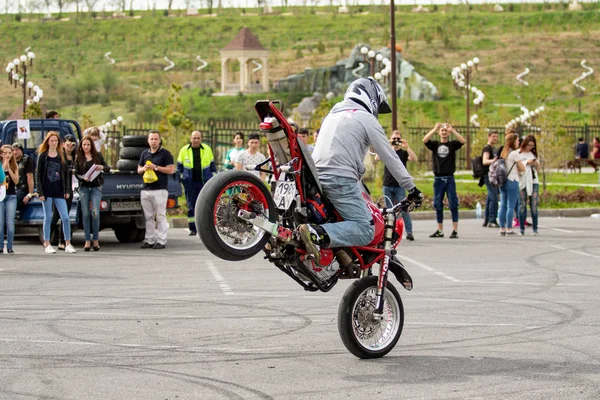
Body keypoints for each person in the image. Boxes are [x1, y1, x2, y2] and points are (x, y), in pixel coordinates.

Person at [301, 78, 422, 263]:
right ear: (371, 97)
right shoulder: (365, 117)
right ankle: (315, 234)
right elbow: (390, 156)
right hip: (340, 180)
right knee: (366, 229)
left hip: (316, 179)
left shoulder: (332, 114)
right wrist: (412, 188)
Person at [35, 131, 76, 254]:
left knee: (66, 217)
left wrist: (67, 190)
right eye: (52, 140)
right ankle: (47, 243)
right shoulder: (42, 156)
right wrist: (40, 192)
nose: (54, 143)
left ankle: (67, 243)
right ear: (47, 142)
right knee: (48, 217)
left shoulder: (61, 155)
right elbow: (38, 175)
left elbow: (67, 174)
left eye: (56, 141)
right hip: (46, 191)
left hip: (59, 190)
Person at [423, 122, 465, 239]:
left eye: (446, 130)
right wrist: (434, 128)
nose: (444, 132)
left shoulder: (452, 144)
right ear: (439, 132)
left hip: (449, 178)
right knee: (438, 204)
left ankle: (455, 230)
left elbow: (462, 141)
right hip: (438, 178)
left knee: (453, 204)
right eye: (442, 130)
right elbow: (425, 140)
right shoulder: (435, 145)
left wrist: (453, 130)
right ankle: (440, 230)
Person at [375, 130, 418, 241]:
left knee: (404, 209)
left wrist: (407, 146)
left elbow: (414, 159)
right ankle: (391, 232)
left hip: (399, 186)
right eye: (394, 139)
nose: (396, 141)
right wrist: (387, 143)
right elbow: (376, 158)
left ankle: (409, 232)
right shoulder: (387, 151)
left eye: (398, 139)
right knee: (389, 211)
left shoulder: (403, 153)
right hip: (388, 184)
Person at [137, 130, 175, 249]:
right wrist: (143, 168)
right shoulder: (144, 154)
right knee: (148, 216)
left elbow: (171, 170)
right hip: (146, 189)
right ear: (148, 141)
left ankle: (162, 240)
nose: (154, 141)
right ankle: (150, 239)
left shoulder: (165, 154)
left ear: (159, 140)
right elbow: (138, 169)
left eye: (156, 139)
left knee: (160, 216)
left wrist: (156, 168)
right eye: (151, 139)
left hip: (160, 189)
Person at [176, 130, 217, 236]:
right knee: (191, 207)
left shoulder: (207, 149)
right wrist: (182, 180)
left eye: (198, 138)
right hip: (190, 184)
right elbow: (179, 168)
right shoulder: (184, 150)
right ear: (191, 139)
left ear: (201, 139)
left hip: (204, 183)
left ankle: (205, 228)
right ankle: (193, 228)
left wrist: (212, 179)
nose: (196, 140)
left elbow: (212, 166)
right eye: (194, 138)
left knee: (205, 206)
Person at [75, 136, 110, 251]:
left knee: (95, 213)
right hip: (84, 188)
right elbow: (76, 173)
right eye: (84, 145)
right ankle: (87, 240)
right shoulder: (79, 157)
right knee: (85, 214)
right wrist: (82, 178)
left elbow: (108, 168)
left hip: (96, 187)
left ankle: (95, 239)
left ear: (92, 146)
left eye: (88, 145)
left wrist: (102, 167)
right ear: (81, 146)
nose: (86, 147)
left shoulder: (97, 156)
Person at [50, 134, 77, 250]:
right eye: (68, 143)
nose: (70, 146)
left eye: (73, 144)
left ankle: (62, 241)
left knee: (65, 217)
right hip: (59, 190)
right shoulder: (60, 157)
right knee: (55, 216)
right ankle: (48, 240)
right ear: (63, 144)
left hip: (70, 190)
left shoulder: (76, 157)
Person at [498, 133, 525, 236]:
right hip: (512, 180)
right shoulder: (514, 153)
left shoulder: (503, 152)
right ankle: (509, 228)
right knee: (511, 206)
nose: (518, 142)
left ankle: (502, 229)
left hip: (502, 181)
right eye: (517, 140)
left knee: (503, 205)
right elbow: (522, 167)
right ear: (513, 141)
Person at [518, 135, 541, 236]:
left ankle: (535, 229)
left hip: (533, 180)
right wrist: (527, 162)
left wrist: (536, 163)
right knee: (522, 205)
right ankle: (521, 228)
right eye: (529, 145)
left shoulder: (533, 154)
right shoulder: (518, 153)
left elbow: (538, 170)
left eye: (532, 145)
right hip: (522, 181)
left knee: (534, 205)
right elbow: (517, 167)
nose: (530, 147)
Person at [1, 145, 19, 254]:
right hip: (1, 196)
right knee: (0, 223)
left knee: (10, 223)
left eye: (9, 153)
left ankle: (10, 245)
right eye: (5, 153)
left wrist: (10, 170)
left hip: (11, 196)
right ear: (1, 154)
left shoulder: (14, 165)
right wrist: (4, 167)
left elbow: (16, 181)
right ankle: (0, 245)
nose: (8, 155)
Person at [481, 131, 500, 228]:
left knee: (490, 197)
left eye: (496, 137)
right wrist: (494, 161)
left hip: (493, 175)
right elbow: (485, 161)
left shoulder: (493, 148)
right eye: (493, 136)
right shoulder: (487, 148)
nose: (495, 138)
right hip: (489, 175)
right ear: (489, 137)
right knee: (494, 197)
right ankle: (492, 220)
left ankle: (487, 219)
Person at [12, 142, 35, 211]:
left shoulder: (27, 160)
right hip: (13, 189)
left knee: (14, 202)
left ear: (21, 151)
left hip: (23, 189)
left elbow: (30, 178)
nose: (15, 152)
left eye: (17, 150)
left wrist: (30, 194)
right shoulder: (11, 161)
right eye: (13, 150)